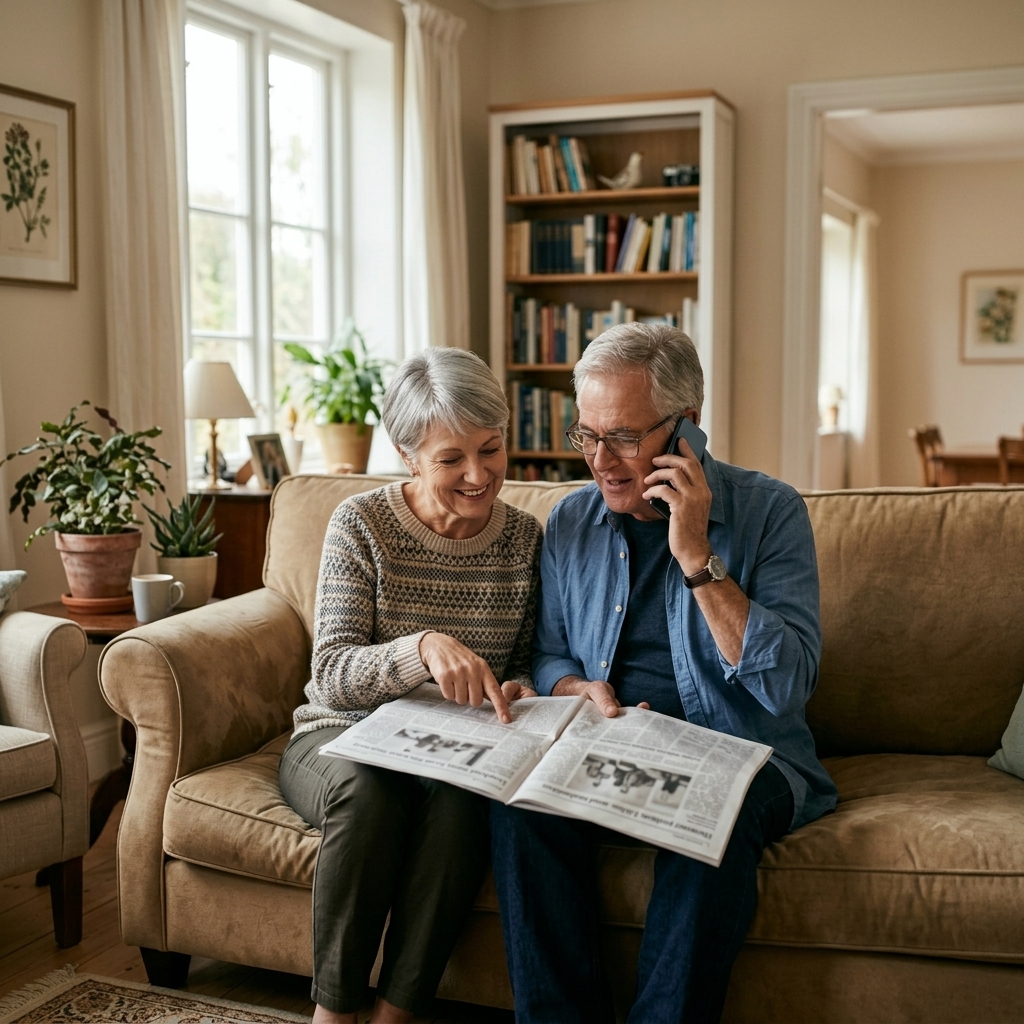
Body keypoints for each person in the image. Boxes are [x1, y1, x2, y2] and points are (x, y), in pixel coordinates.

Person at [490, 323, 838, 1024]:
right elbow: (552, 653)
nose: (602, 461)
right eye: (586, 436)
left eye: (623, 436)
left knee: (711, 807)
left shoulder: (770, 512)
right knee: (517, 803)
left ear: (687, 426)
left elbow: (785, 687)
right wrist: (570, 688)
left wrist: (697, 555)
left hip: (741, 751)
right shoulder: (570, 523)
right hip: (613, 741)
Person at [279, 348, 542, 1024]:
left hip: (456, 752)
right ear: (408, 453)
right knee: (371, 795)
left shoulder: (524, 542)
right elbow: (331, 675)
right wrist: (420, 650)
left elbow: (528, 661)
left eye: (491, 449)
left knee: (461, 812)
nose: (479, 476)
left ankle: (398, 1014)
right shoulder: (361, 525)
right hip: (339, 740)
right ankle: (333, 1016)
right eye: (452, 458)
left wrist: (516, 689)